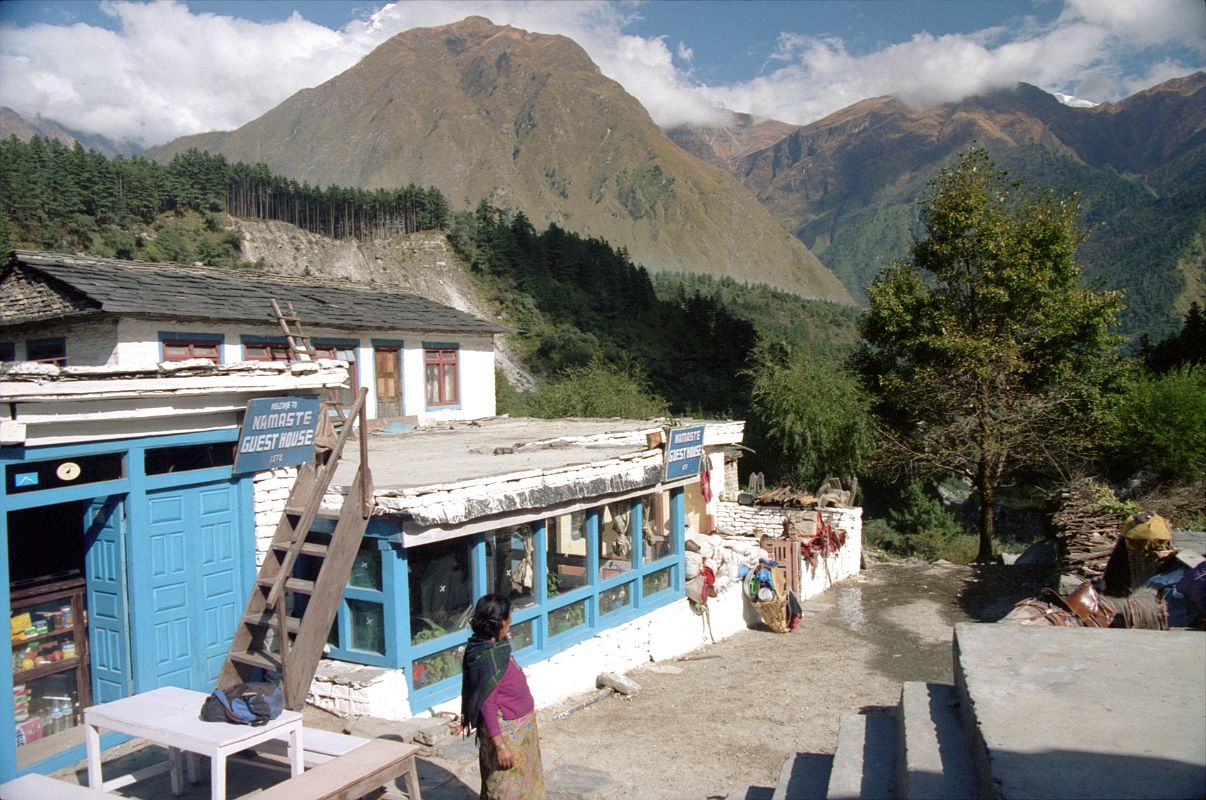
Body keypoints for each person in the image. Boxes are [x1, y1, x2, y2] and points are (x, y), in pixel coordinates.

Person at [458, 594, 546, 799]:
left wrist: (503, 637)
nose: (511, 619)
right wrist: (500, 747)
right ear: (502, 621)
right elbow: (487, 705)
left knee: (526, 784)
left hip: (521, 728)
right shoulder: (487, 658)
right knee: (506, 788)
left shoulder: (490, 646)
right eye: (509, 616)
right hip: (507, 735)